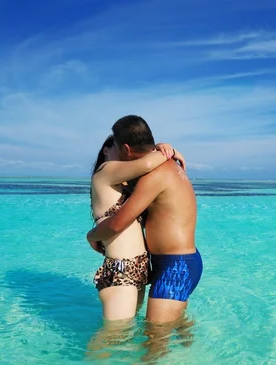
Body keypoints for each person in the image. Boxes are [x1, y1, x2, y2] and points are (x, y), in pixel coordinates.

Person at [87, 115, 203, 325]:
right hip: (165, 263)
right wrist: (167, 150)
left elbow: (117, 223)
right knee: (166, 333)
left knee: (153, 341)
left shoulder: (154, 174)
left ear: (127, 149)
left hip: (176, 266)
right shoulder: (150, 171)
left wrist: (91, 235)